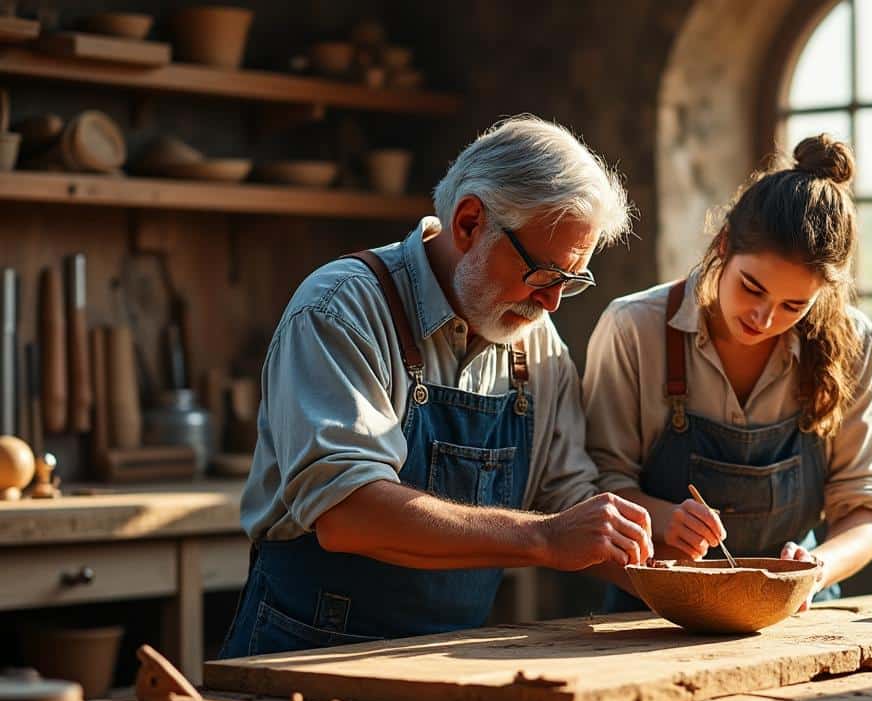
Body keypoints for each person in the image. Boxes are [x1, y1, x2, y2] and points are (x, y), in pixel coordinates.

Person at [220, 116, 653, 658]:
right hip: (304, 652)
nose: (552, 303)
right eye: (544, 274)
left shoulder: (534, 342)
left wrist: (695, 589)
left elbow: (567, 498)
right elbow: (347, 513)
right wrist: (543, 538)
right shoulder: (342, 309)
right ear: (470, 222)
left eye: (571, 280)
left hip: (447, 657)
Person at [584, 134, 872, 613]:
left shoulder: (852, 343)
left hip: (797, 615)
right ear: (724, 244)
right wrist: (667, 519)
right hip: (652, 615)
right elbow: (600, 485)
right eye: (752, 288)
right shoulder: (634, 328)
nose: (763, 319)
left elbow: (864, 506)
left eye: (794, 305)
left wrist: (817, 568)